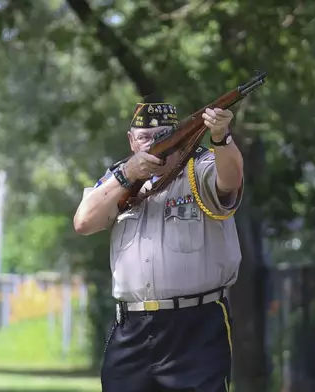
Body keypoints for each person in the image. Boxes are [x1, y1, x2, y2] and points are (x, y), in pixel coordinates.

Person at [73, 94, 244, 392]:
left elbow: (230, 180)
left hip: (195, 325)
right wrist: (128, 174)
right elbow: (84, 222)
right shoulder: (119, 181)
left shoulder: (200, 168)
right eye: (144, 137)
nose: (152, 143)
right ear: (131, 141)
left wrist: (221, 137)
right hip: (132, 327)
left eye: (162, 136)